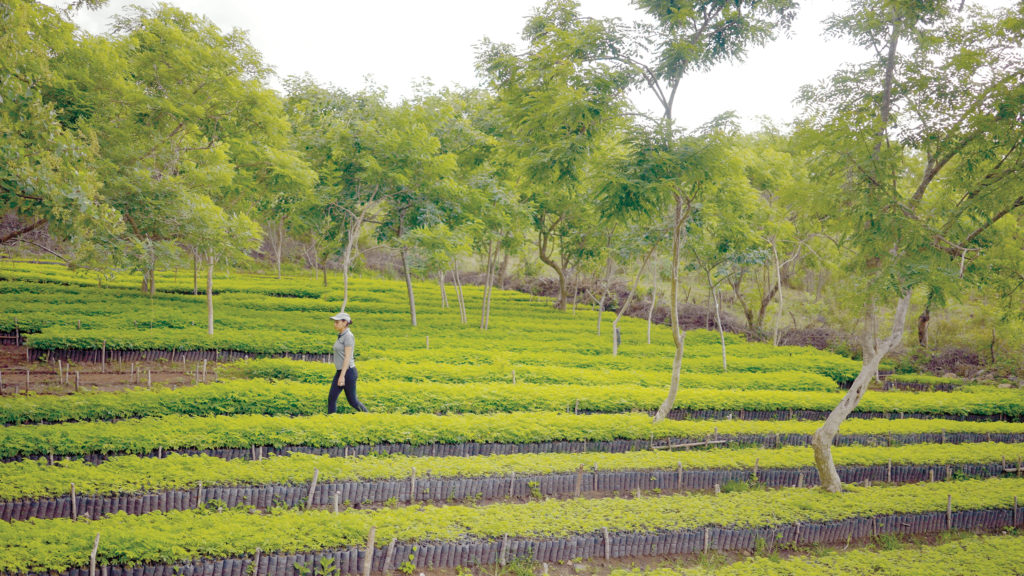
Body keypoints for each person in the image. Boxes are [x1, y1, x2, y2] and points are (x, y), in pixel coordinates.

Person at [328, 311, 367, 413]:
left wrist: (342, 376)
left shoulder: (348, 336)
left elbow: (347, 357)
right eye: (334, 322)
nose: (335, 324)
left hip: (348, 372)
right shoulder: (341, 335)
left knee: (352, 401)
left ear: (345, 323)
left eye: (337, 322)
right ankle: (330, 421)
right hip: (341, 371)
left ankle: (369, 416)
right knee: (332, 398)